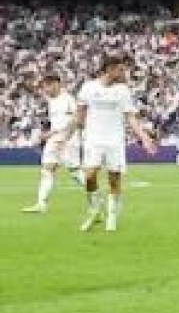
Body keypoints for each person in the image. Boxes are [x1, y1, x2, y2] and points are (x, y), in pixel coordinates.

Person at [74, 53, 159, 233]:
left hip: (114, 141)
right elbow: (79, 115)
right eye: (120, 69)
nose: (123, 72)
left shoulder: (122, 91)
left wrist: (144, 137)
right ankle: (96, 209)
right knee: (89, 176)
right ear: (109, 69)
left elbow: (131, 117)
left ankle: (111, 218)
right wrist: (67, 136)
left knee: (114, 180)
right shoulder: (88, 88)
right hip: (93, 139)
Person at [21, 74, 83, 214]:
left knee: (75, 172)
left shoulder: (68, 99)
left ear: (56, 84)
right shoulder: (51, 101)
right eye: (44, 86)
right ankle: (41, 204)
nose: (45, 89)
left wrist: (65, 137)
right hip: (55, 138)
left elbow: (76, 119)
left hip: (68, 138)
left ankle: (96, 196)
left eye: (47, 86)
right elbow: (56, 123)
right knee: (47, 170)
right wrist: (49, 134)